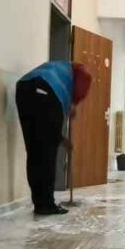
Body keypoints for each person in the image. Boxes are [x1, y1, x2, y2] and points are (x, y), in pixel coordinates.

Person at [14, 59, 92, 216]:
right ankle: (47, 205)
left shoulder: (59, 68)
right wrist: (74, 104)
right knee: (47, 154)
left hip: (22, 89)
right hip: (45, 90)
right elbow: (84, 80)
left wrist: (60, 139)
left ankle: (40, 203)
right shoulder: (80, 72)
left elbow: (46, 131)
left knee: (34, 150)